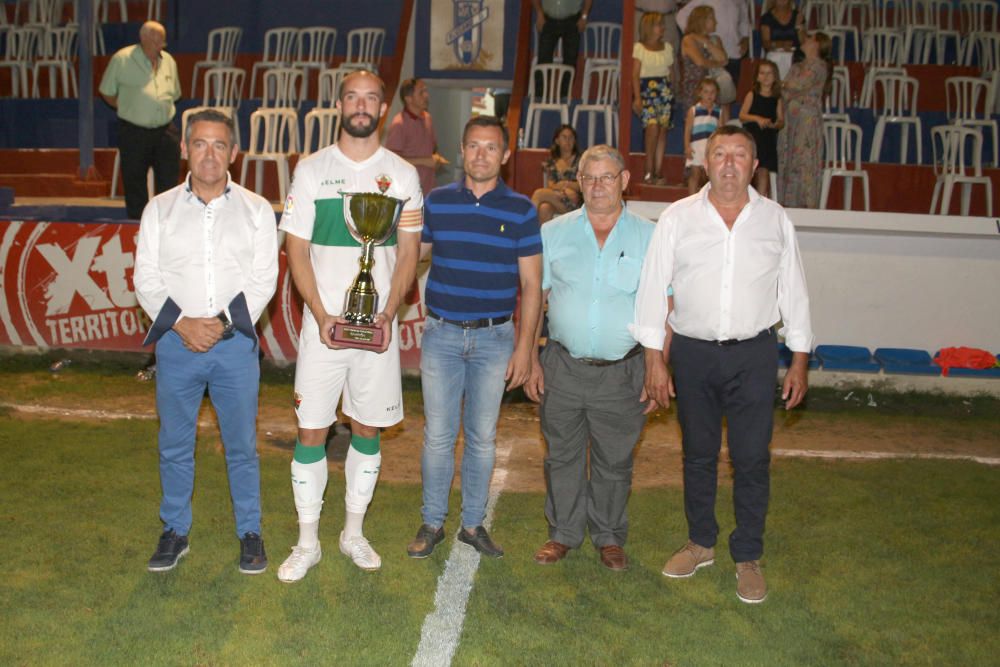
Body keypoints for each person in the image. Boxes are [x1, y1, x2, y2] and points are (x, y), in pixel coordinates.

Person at [635, 125, 813, 604]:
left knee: (752, 457)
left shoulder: (775, 220)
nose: (730, 163)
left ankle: (748, 555)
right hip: (692, 353)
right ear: (705, 162)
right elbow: (653, 288)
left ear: (754, 166)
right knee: (698, 453)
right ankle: (700, 542)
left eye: (739, 155)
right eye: (720, 154)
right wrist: (655, 360)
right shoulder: (677, 218)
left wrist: (799, 359)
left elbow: (793, 290)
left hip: (754, 354)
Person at [276, 70, 424, 581]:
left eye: (370, 99)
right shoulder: (312, 170)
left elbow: (407, 253)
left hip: (375, 331)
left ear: (383, 108)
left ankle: (353, 534)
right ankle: (308, 541)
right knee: (311, 429)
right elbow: (295, 249)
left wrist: (386, 313)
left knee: (367, 428)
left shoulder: (403, 175)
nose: (361, 106)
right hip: (323, 330)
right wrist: (320, 315)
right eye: (352, 97)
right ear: (340, 104)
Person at [134, 109, 279, 574]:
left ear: (234, 152)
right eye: (200, 143)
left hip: (235, 345)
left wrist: (218, 323)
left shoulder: (257, 209)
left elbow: (264, 280)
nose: (210, 154)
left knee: (241, 446)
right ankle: (175, 531)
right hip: (177, 346)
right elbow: (146, 279)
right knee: (175, 444)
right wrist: (182, 324)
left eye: (219, 145)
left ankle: (250, 533)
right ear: (185, 149)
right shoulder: (159, 208)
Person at [406, 116, 542, 560]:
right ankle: (431, 522)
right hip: (442, 335)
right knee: (438, 437)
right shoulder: (437, 202)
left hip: (495, 339)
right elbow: (414, 256)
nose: (481, 155)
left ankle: (472, 524)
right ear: (462, 150)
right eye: (473, 146)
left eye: (491, 147)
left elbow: (533, 286)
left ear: (505, 155)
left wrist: (525, 348)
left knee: (483, 438)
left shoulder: (521, 209)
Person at [524, 144, 654, 571]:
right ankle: (562, 534)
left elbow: (662, 307)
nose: (598, 186)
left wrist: (657, 366)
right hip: (562, 364)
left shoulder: (650, 236)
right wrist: (529, 356)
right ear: (578, 183)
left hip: (623, 371)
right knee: (561, 455)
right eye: (590, 178)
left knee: (614, 460)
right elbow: (533, 298)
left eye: (607, 177)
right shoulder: (553, 232)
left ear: (625, 181)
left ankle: (609, 536)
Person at [99, 21, 181, 220]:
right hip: (134, 130)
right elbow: (106, 92)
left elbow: (176, 93)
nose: (161, 45)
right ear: (144, 38)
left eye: (163, 40)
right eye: (157, 40)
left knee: (169, 183)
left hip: (165, 130)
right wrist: (128, 107)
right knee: (134, 182)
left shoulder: (169, 60)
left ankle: (167, 225)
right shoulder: (122, 59)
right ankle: (137, 226)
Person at [779, 32, 831, 209]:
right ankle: (789, 204)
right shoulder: (796, 67)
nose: (804, 40)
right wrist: (788, 88)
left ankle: (807, 205)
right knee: (790, 160)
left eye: (809, 38)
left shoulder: (819, 66)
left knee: (805, 159)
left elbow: (797, 84)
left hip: (806, 121)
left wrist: (787, 86)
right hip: (790, 119)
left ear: (817, 44)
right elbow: (786, 90)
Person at [385, 78, 449, 197]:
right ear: (408, 99)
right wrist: (425, 161)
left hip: (429, 191)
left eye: (426, 91)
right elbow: (391, 161)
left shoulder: (428, 118)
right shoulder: (399, 124)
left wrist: (436, 159)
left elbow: (432, 150)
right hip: (408, 193)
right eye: (421, 92)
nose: (426, 95)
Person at [632, 11, 675, 185]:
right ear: (649, 27)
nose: (662, 28)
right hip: (646, 90)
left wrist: (673, 92)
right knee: (651, 127)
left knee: (662, 131)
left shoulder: (668, 48)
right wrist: (637, 97)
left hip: (664, 90)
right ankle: (648, 169)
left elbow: (671, 72)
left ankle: (658, 170)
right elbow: (635, 74)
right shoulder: (639, 48)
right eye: (659, 24)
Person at [677, 0, 750, 87]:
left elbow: (744, 21)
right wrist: (695, 34)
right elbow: (681, 16)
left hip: (732, 48)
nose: (716, 21)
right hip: (708, 50)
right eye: (713, 19)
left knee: (730, 87)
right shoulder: (690, 39)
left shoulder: (740, 1)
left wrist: (745, 39)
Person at [739, 60, 784, 197]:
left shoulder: (777, 99)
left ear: (775, 76)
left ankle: (762, 198)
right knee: (749, 170)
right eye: (762, 73)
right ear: (757, 76)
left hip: (767, 140)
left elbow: (781, 121)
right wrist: (757, 118)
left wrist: (775, 125)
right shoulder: (752, 94)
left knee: (764, 171)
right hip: (753, 138)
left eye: (769, 73)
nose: (765, 76)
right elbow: (742, 115)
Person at [532, 0, 593, 97]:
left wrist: (584, 16)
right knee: (543, 60)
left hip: (572, 21)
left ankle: (564, 97)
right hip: (548, 20)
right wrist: (539, 13)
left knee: (570, 61)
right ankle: (539, 97)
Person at [678, 6, 728, 113]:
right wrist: (717, 63)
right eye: (712, 19)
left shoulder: (715, 39)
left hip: (712, 88)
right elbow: (700, 62)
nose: (716, 22)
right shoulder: (688, 39)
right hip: (694, 89)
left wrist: (707, 42)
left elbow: (724, 59)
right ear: (702, 20)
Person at [684, 77, 728, 194]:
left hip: (711, 148)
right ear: (699, 93)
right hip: (696, 147)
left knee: (709, 175)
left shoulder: (719, 111)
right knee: (695, 174)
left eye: (713, 92)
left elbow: (721, 131)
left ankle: (707, 199)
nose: (709, 95)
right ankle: (691, 200)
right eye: (706, 92)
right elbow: (688, 129)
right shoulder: (693, 110)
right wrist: (687, 146)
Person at [531, 124, 582, 223]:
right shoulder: (552, 161)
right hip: (559, 198)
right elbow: (551, 184)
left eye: (571, 137)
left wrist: (566, 184)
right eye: (564, 137)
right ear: (557, 141)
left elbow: (583, 185)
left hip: (576, 201)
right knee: (544, 208)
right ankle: (540, 238)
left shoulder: (581, 160)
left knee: (538, 193)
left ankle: (525, 226)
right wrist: (563, 191)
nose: (568, 141)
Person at [760, 0, 805, 78]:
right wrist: (782, 44)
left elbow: (803, 42)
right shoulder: (767, 18)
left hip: (795, 57)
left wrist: (798, 25)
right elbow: (765, 43)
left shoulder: (797, 16)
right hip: (776, 56)